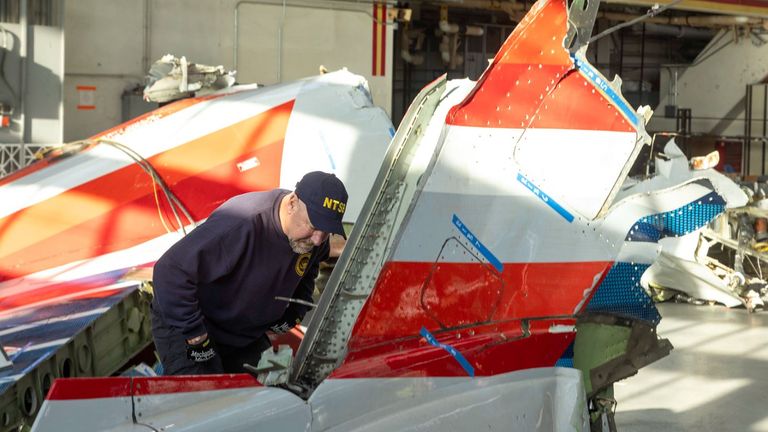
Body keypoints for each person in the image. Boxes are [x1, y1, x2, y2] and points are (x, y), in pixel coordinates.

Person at [150, 171, 348, 375]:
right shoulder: (240, 223)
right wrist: (195, 334)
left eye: (326, 232)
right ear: (292, 203)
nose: (317, 239)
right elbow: (169, 270)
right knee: (205, 399)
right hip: (193, 323)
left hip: (241, 332)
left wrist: (294, 312)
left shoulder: (310, 239)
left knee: (268, 390)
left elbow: (313, 260)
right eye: (314, 226)